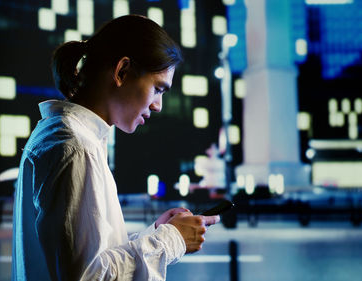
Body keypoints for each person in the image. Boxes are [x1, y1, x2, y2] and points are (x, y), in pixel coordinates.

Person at [12, 15, 220, 281]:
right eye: (158, 89)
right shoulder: (75, 148)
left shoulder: (67, 137)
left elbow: (91, 257)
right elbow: (88, 277)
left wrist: (156, 233)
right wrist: (170, 240)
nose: (158, 105)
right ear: (122, 72)